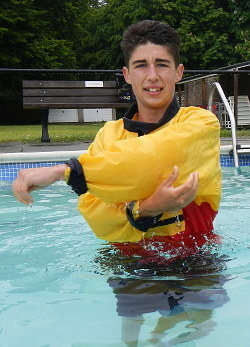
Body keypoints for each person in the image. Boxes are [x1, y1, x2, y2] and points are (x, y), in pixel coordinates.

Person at [13, 20, 221, 260]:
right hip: (127, 261)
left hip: (197, 258)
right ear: (127, 74)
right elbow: (93, 211)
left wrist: (68, 170)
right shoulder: (108, 133)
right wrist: (146, 209)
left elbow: (156, 157)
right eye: (141, 65)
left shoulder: (201, 122)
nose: (152, 76)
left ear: (178, 72)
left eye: (162, 64)